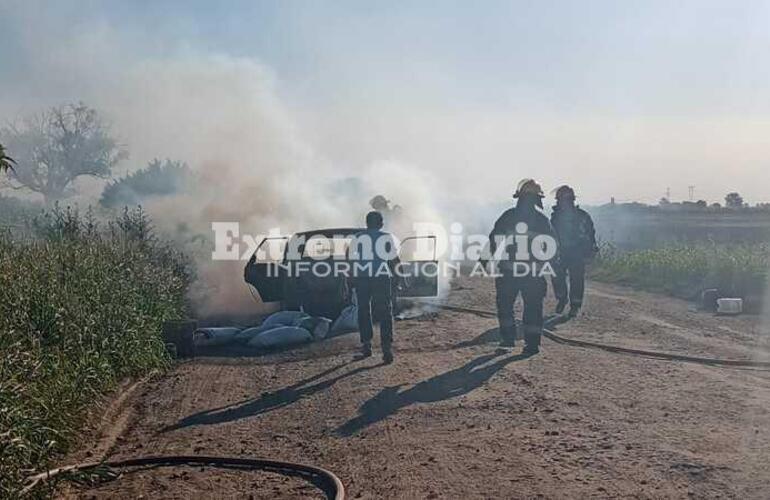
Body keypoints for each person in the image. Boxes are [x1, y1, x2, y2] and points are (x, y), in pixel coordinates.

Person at [487, 179, 556, 355]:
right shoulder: (541, 220)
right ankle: (531, 345)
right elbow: (552, 246)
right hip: (532, 274)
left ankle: (508, 341)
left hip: (509, 272)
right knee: (533, 308)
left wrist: (487, 260)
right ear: (537, 199)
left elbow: (494, 240)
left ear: (519, 197)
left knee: (506, 307)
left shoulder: (508, 216)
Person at [349, 211, 400, 364]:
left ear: (367, 223)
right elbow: (393, 260)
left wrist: (349, 279)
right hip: (381, 277)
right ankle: (386, 349)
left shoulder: (357, 237)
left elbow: (350, 259)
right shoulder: (386, 237)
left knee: (364, 310)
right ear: (380, 223)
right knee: (385, 311)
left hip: (362, 278)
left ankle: (366, 345)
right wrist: (398, 279)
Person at [550, 185, 598, 317]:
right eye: (561, 200)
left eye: (565, 199)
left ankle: (575, 305)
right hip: (560, 252)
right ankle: (562, 298)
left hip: (577, 252)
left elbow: (590, 233)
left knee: (576, 279)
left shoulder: (582, 216)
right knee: (557, 276)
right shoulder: (555, 217)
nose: (563, 202)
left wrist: (590, 249)